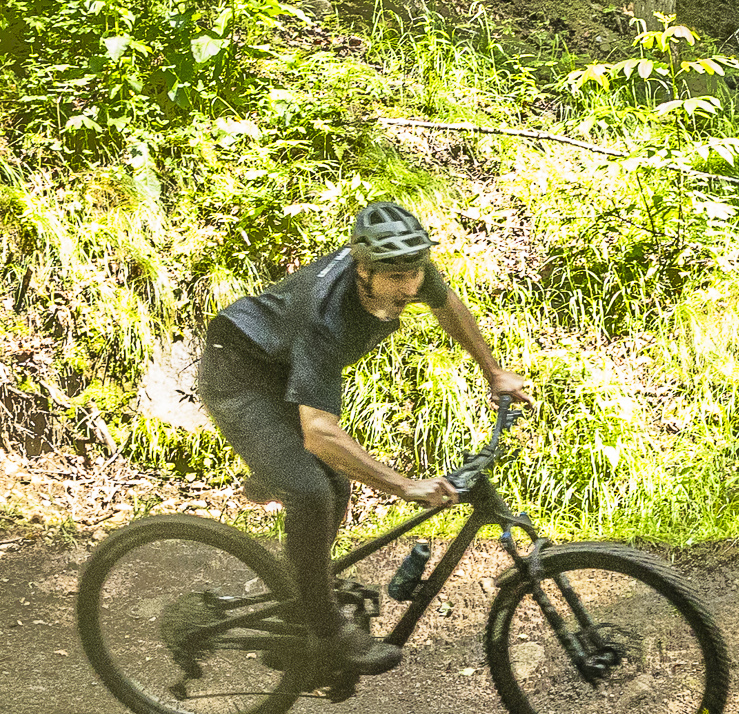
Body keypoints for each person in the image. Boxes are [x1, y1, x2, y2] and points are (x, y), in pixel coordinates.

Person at [197, 199, 527, 688]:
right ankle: (325, 629)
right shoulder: (324, 314)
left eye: (414, 274)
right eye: (394, 279)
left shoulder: (406, 267)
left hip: (283, 367)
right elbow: (319, 431)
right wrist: (404, 486)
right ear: (362, 269)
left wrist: (493, 369)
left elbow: (448, 306)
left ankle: (301, 602)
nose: (408, 288)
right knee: (311, 490)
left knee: (333, 487)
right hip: (240, 372)